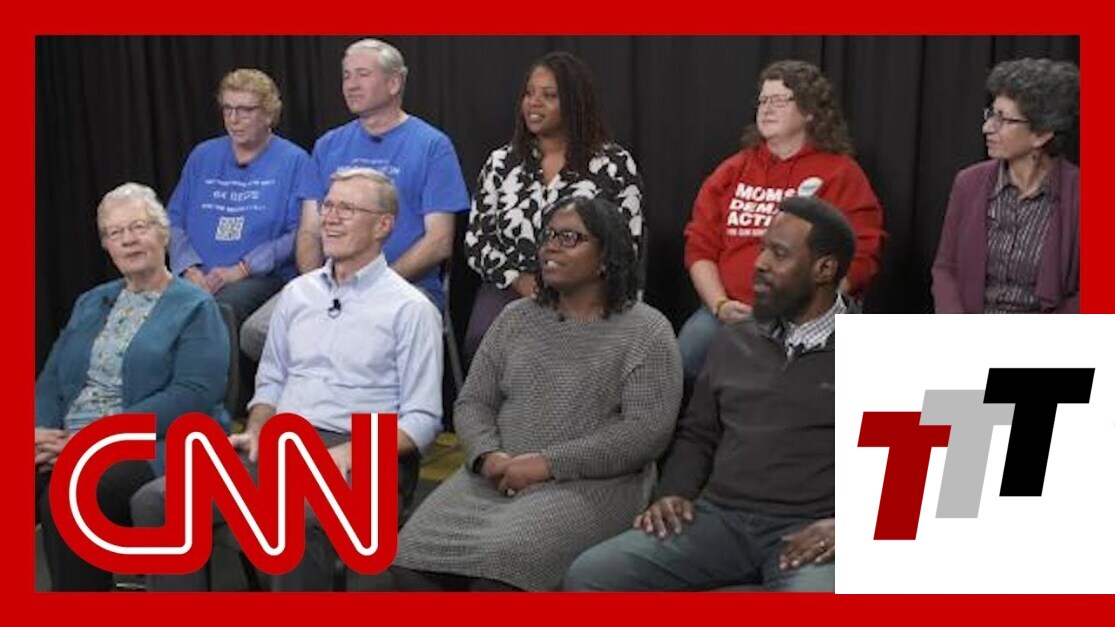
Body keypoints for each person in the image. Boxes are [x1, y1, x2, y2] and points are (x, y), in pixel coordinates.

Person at [130, 167, 443, 591]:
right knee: (158, 501)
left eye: (347, 209)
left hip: (363, 453)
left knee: (289, 523)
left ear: (383, 225)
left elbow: (422, 420)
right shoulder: (298, 294)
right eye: (328, 206)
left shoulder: (410, 308)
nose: (329, 218)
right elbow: (272, 381)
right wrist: (258, 427)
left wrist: (351, 453)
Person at [385, 196, 682, 592]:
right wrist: (488, 455)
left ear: (605, 257)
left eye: (569, 238)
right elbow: (473, 403)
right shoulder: (516, 318)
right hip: (494, 477)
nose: (550, 247)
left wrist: (547, 464)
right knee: (409, 556)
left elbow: (645, 433)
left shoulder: (646, 330)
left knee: (502, 573)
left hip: (590, 484)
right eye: (548, 236)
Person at [564, 195, 852, 592]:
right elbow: (699, 433)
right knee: (591, 575)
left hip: (809, 532)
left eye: (780, 254)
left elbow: (919, 479)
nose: (760, 263)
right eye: (762, 248)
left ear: (824, 269)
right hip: (719, 519)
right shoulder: (734, 339)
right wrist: (674, 493)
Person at [35, 182, 230, 591]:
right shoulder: (91, 301)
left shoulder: (196, 306)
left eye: (138, 227)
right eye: (115, 232)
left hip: (156, 442)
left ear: (163, 233)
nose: (128, 240)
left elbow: (192, 396)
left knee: (70, 495)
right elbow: (52, 377)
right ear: (106, 245)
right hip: (67, 439)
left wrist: (95, 438)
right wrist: (38, 431)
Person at [240, 38, 470, 361]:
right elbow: (309, 231)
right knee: (257, 332)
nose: (350, 85)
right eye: (346, 75)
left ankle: (350, 394)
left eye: (362, 74)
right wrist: (317, 287)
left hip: (402, 286)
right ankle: (314, 391)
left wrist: (374, 284)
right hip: (330, 286)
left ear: (394, 83)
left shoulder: (432, 146)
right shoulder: (328, 145)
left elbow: (439, 242)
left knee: (359, 342)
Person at [679, 59, 883, 387]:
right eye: (763, 100)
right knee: (685, 358)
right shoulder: (732, 171)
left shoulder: (840, 174)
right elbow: (700, 248)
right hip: (730, 311)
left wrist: (809, 313)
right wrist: (719, 305)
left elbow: (861, 255)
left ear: (809, 111)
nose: (767, 108)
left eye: (779, 100)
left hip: (804, 314)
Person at [462, 50, 644, 364]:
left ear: (574, 104)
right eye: (529, 94)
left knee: (576, 347)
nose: (534, 103)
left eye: (548, 96)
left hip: (587, 288)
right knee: (484, 338)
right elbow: (477, 242)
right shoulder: (502, 163)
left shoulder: (613, 164)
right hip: (514, 285)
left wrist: (578, 286)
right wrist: (520, 281)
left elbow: (627, 244)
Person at [167, 68, 317, 327]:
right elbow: (173, 219)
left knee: (217, 311)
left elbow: (299, 233)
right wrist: (188, 269)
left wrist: (244, 269)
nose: (234, 119)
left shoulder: (295, 161)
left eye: (245, 110)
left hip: (258, 277)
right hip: (195, 275)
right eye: (227, 109)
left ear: (268, 114)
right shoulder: (203, 156)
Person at [932, 58, 1079, 313]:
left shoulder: (1079, 193)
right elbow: (946, 269)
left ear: (1042, 134)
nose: (986, 127)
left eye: (1003, 119)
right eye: (991, 114)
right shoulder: (968, 183)